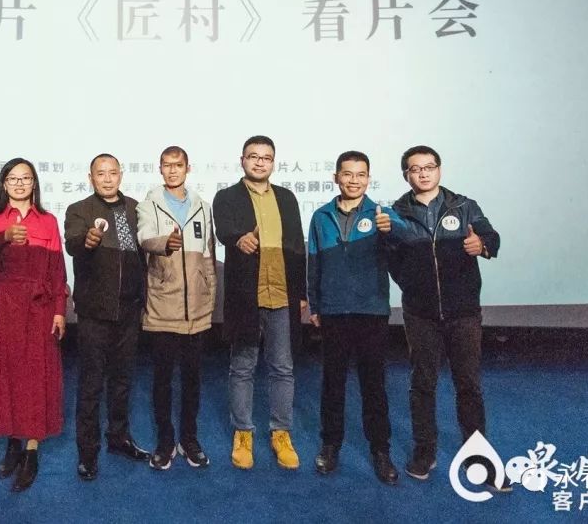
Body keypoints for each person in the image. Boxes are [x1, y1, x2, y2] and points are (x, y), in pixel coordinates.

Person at [387, 145, 505, 488]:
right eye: (415, 168)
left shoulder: (464, 206)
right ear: (406, 175)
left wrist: (482, 246)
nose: (423, 173)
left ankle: (478, 454)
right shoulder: (397, 213)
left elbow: (492, 237)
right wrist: (412, 285)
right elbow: (392, 259)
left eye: (429, 166)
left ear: (439, 169)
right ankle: (425, 451)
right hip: (420, 314)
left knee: (468, 384)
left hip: (463, 312)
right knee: (422, 383)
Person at [305, 150, 406, 485]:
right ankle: (330, 445)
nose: (354, 180)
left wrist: (391, 229)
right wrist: (315, 305)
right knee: (332, 383)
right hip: (334, 311)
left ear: (368, 178)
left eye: (360, 174)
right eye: (347, 174)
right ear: (336, 177)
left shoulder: (382, 214)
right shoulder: (321, 216)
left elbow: (406, 238)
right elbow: (314, 263)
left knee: (373, 385)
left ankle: (381, 450)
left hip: (371, 311)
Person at [212, 135, 306, 471]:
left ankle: (281, 432)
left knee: (283, 367)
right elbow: (223, 231)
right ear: (243, 160)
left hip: (282, 293)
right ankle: (243, 432)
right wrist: (240, 239)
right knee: (243, 366)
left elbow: (297, 246)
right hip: (246, 295)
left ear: (273, 162)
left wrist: (302, 292)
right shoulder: (226, 197)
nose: (260, 162)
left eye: (266, 157)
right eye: (253, 156)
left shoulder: (287, 197)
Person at [0, 158, 67, 493]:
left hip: (39, 307)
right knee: (7, 374)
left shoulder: (48, 220)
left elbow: (57, 270)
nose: (19, 184)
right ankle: (12, 442)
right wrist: (5, 235)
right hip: (5, 305)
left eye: (25, 178)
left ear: (34, 183)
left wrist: (59, 310)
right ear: (4, 184)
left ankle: (31, 450)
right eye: (12, 178)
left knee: (35, 377)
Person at [63, 154, 149, 480]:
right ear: (91, 178)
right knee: (91, 384)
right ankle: (87, 452)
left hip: (129, 309)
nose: (108, 178)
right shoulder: (79, 210)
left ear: (121, 175)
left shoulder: (135, 208)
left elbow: (143, 253)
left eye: (113, 172)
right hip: (95, 312)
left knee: (123, 380)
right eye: (101, 174)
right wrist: (88, 240)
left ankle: (118, 438)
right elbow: (74, 244)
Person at [136, 146, 217, 471]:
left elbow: (208, 256)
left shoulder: (203, 206)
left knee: (192, 381)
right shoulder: (148, 204)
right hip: (162, 307)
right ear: (160, 169)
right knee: (162, 381)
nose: (172, 170)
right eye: (167, 165)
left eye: (178, 165)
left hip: (196, 311)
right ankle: (165, 441)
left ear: (188, 168)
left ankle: (189, 439)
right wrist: (164, 244)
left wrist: (210, 295)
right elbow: (144, 238)